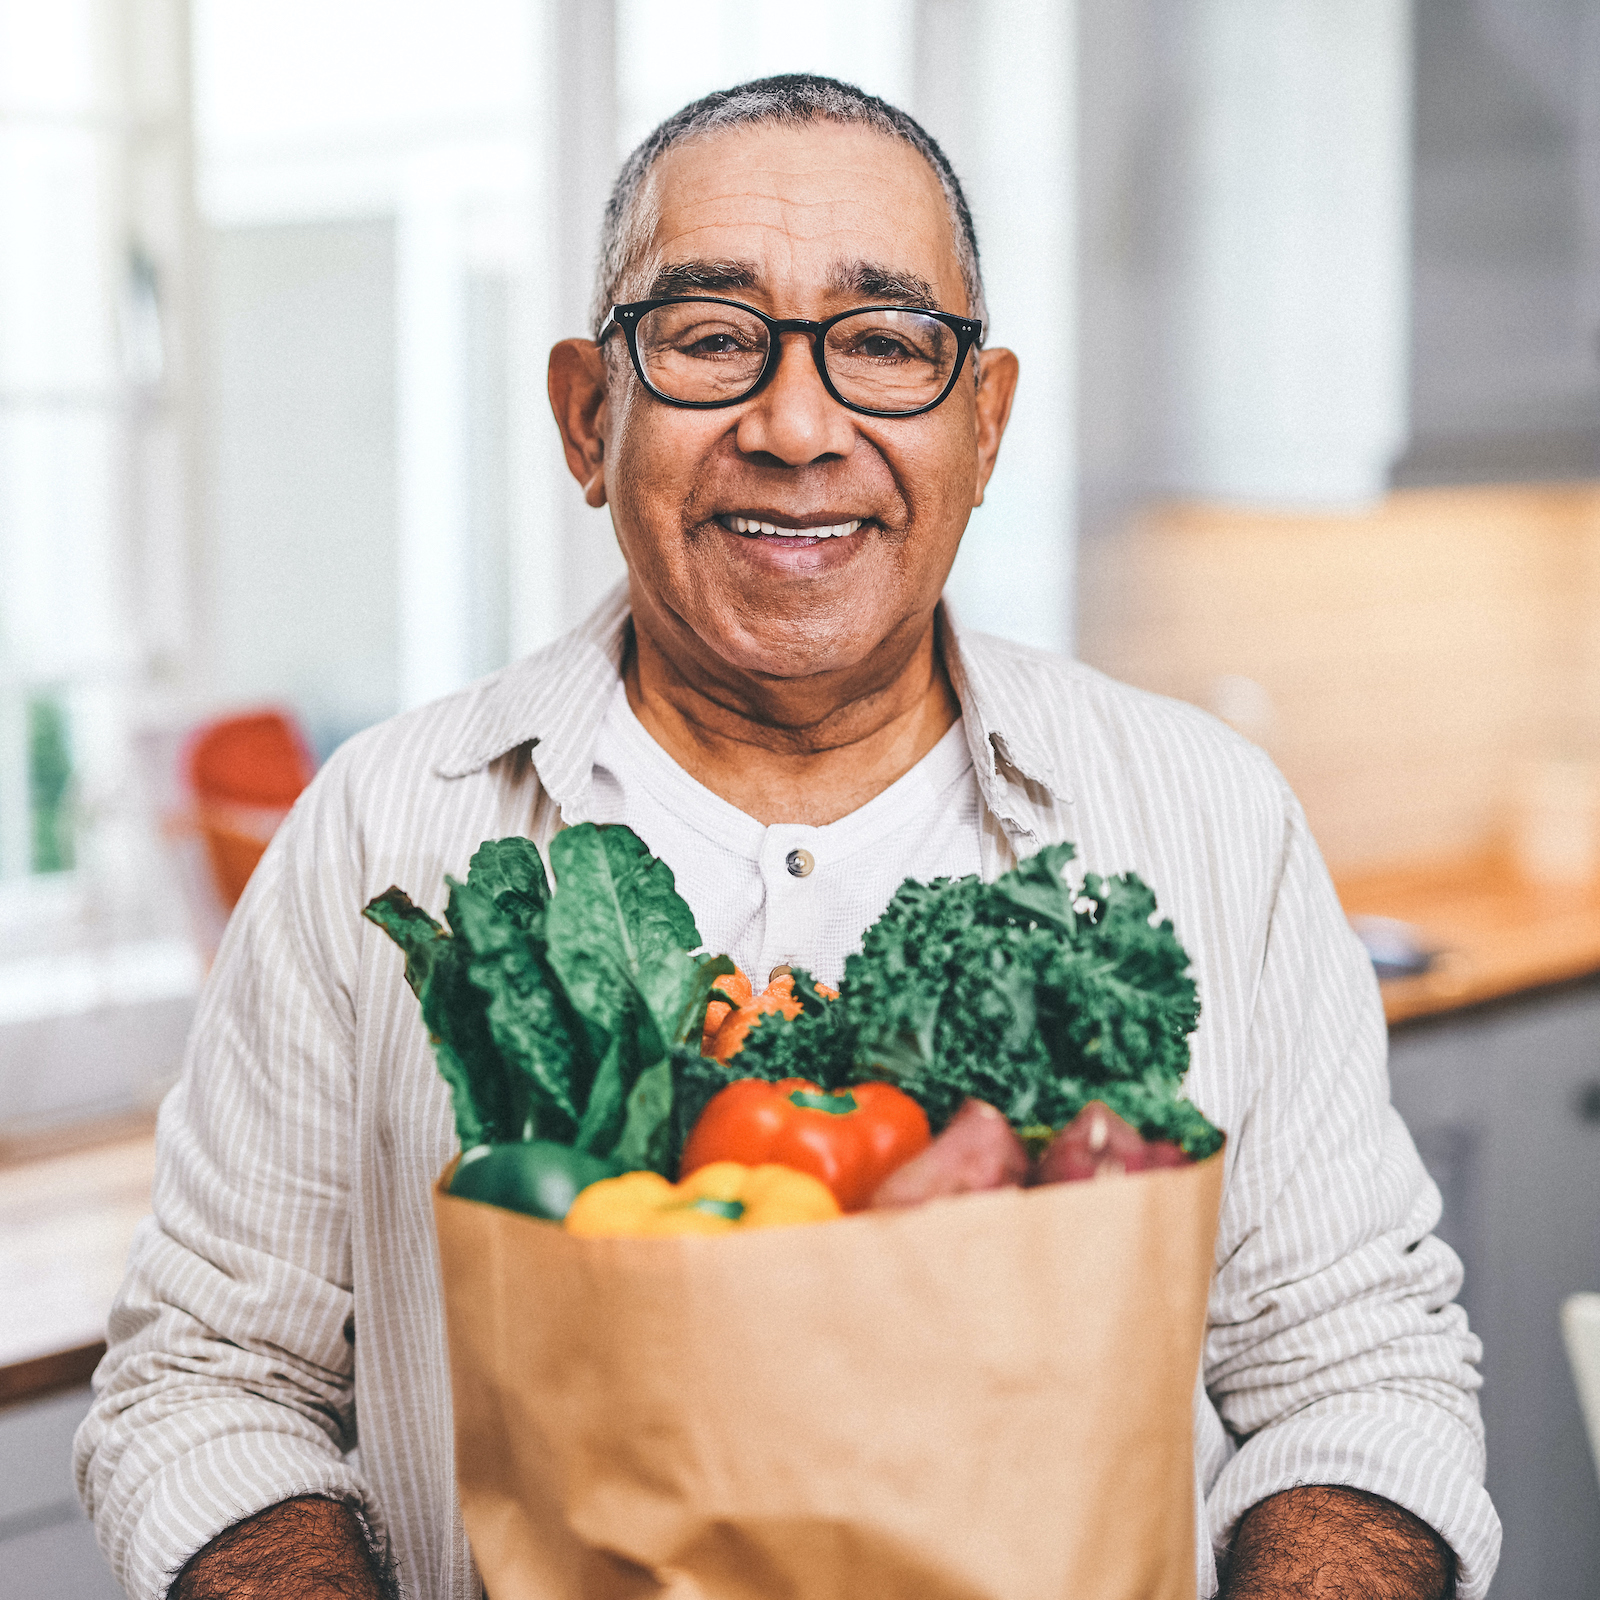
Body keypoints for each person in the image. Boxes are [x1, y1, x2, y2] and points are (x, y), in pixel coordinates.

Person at [76, 74, 1499, 1600]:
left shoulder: (1212, 820)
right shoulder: (379, 837)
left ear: (987, 418)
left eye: (885, 343)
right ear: (585, 413)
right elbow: (209, 1388)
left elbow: (1359, 1381)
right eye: (708, 338)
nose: (798, 425)